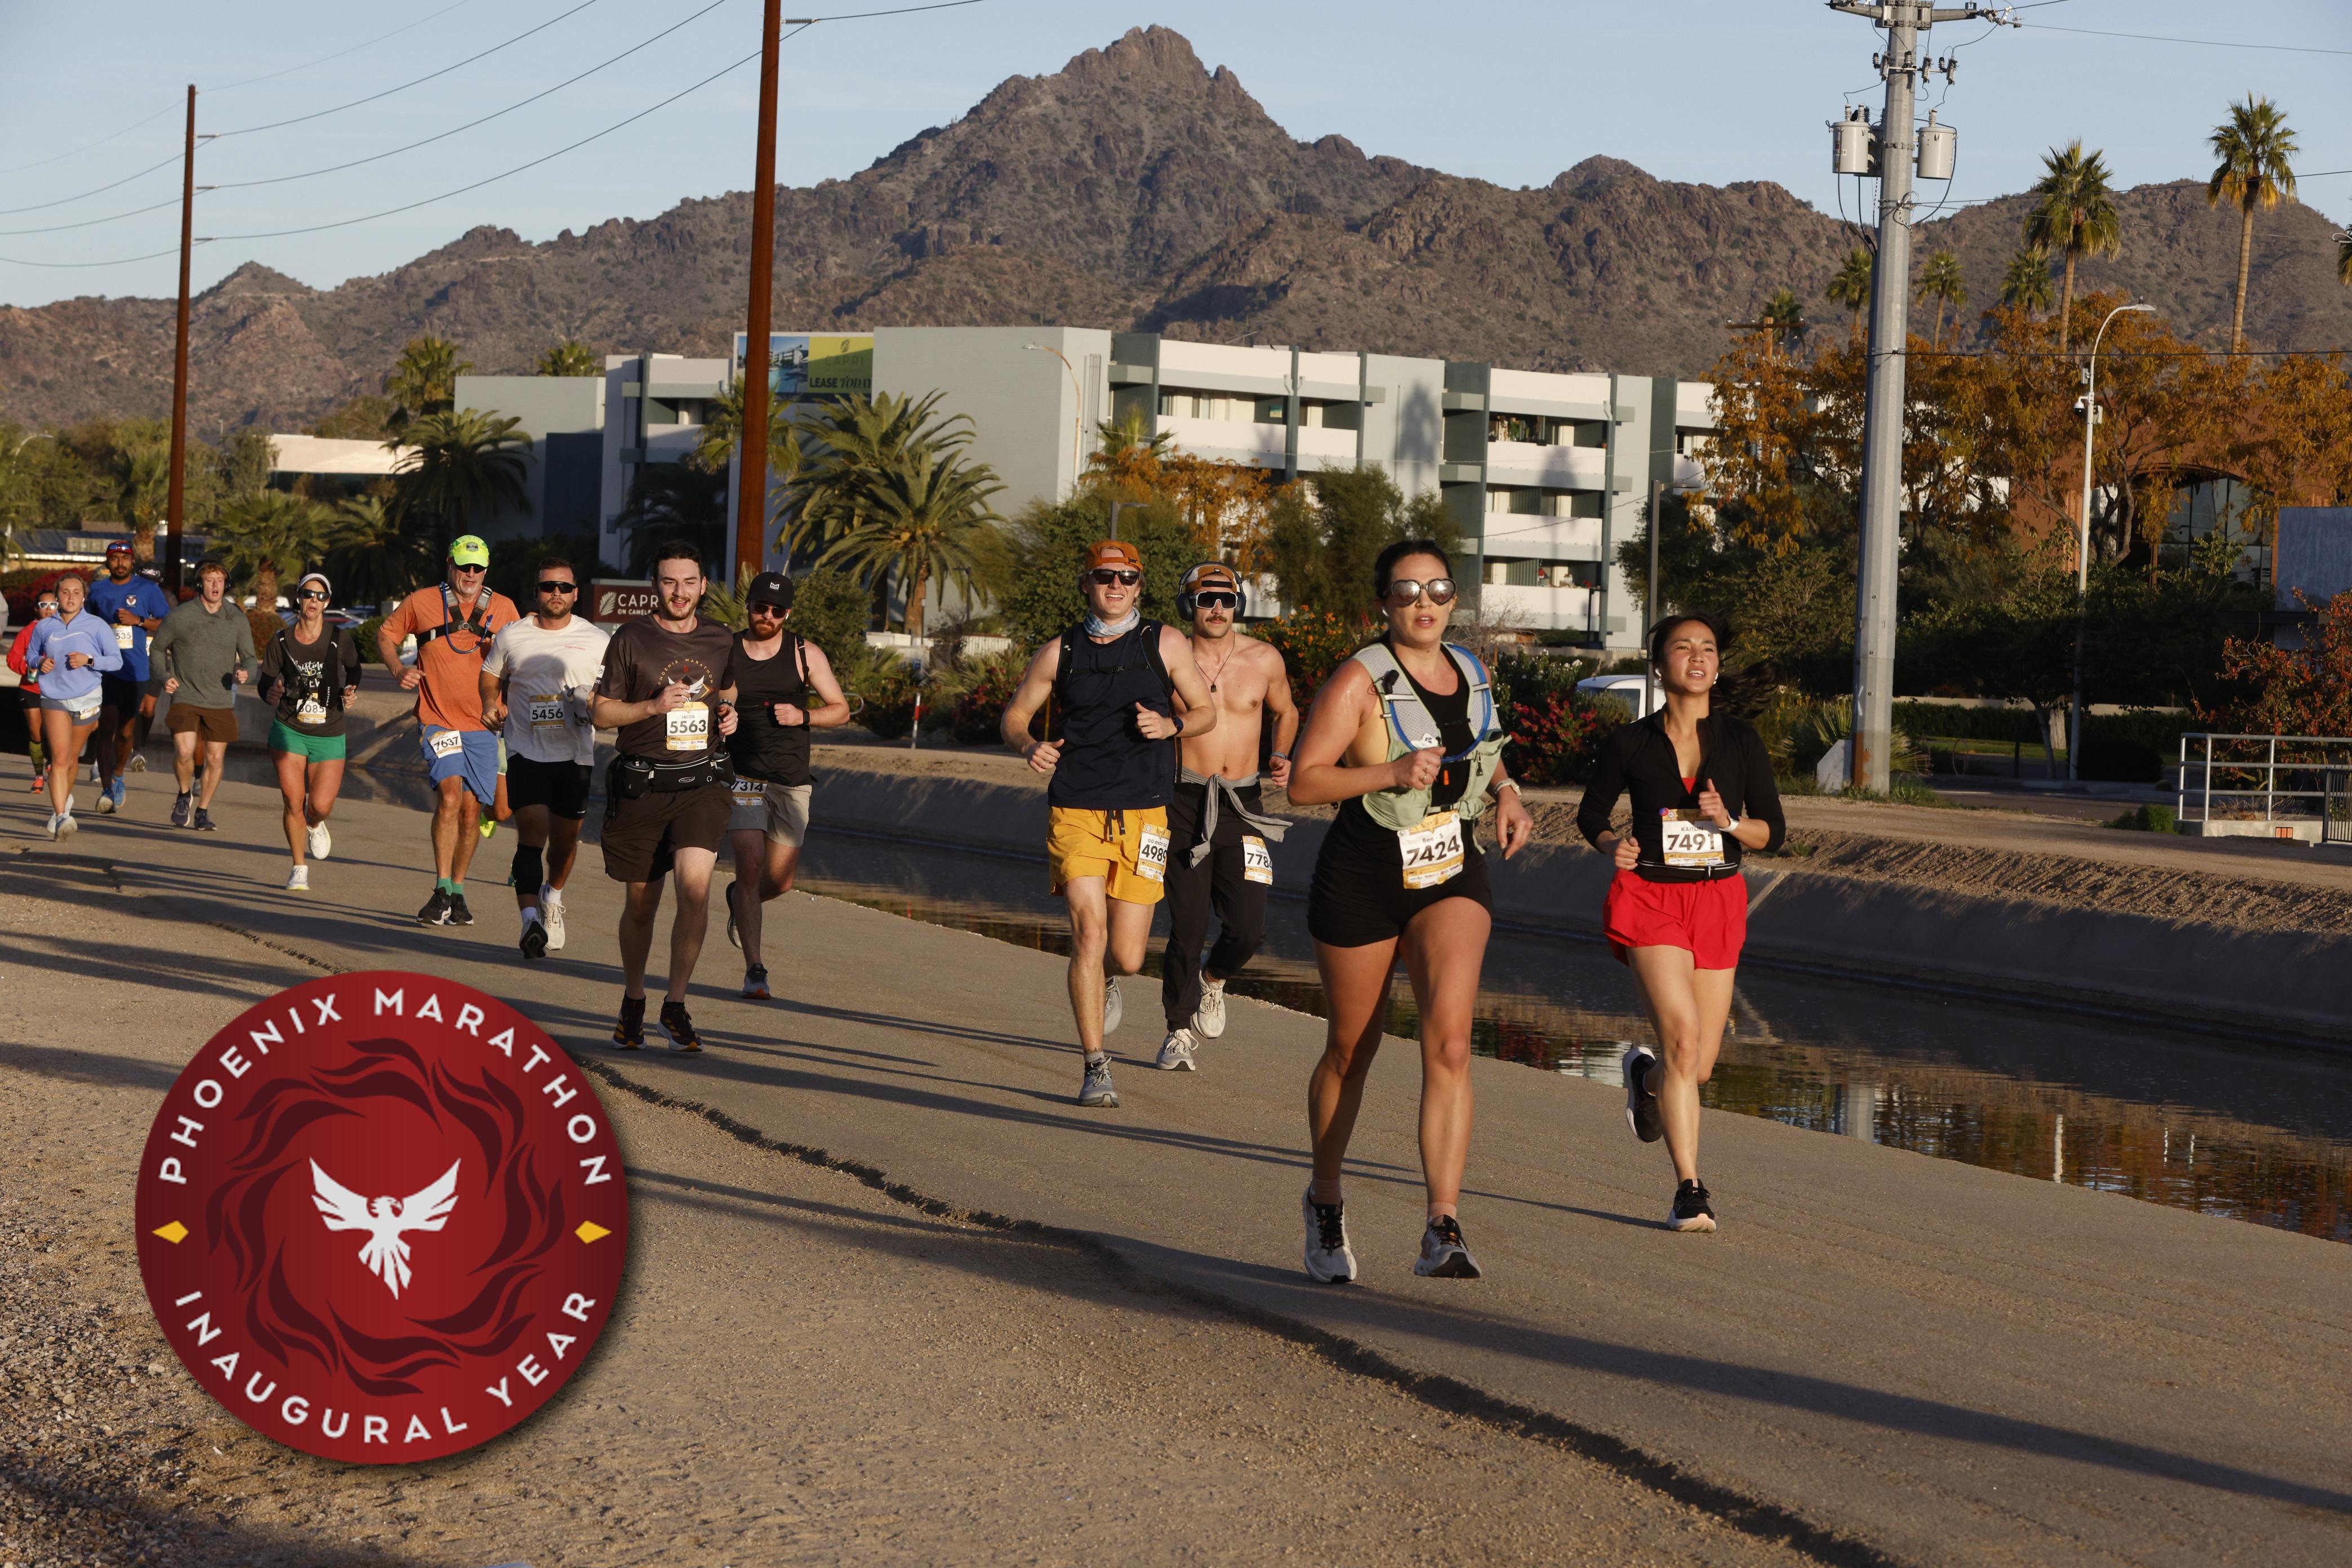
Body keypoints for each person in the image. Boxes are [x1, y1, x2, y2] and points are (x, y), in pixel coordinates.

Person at [1285, 540, 1533, 1284]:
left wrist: (1507, 793)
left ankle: (1442, 1224)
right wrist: (1389, 771)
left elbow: (1484, 750)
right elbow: (1304, 783)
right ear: (1383, 604)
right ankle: (1325, 1197)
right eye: (1406, 592)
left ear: (1455, 599)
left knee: (1450, 1043)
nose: (1424, 603)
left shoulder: (1472, 671)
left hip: (1450, 867)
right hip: (1364, 874)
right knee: (1351, 1048)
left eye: (1438, 590)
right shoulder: (1359, 680)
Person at [1577, 612, 1784, 1235]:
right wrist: (1612, 843)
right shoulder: (1631, 743)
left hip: (1718, 900)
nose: (1698, 657)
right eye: (1683, 647)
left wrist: (1730, 824)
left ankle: (1646, 1078)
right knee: (1684, 1041)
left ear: (1717, 666)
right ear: (1658, 665)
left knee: (1699, 1067)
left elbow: (1772, 832)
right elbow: (1592, 814)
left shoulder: (1741, 741)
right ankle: (1689, 1191)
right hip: (1651, 899)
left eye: (1709, 649)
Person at [999, 539, 1218, 1108]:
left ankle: (1107, 977)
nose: (1115, 586)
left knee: (1128, 955)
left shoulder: (1164, 643)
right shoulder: (1061, 651)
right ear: (1087, 584)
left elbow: (1205, 711)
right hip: (1076, 809)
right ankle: (1096, 1065)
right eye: (1104, 576)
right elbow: (1015, 716)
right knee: (1089, 936)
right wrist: (1028, 745)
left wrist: (1171, 727)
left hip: (1146, 814)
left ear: (1139, 586)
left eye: (1126, 577)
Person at [590, 540, 738, 1051]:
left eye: (689, 582)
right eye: (670, 582)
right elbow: (601, 712)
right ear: (656, 585)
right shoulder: (631, 638)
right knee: (641, 905)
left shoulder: (721, 638)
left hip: (702, 784)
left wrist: (729, 713)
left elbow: (729, 689)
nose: (680, 592)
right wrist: (651, 707)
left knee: (694, 891)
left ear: (703, 586)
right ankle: (634, 999)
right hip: (644, 785)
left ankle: (675, 1006)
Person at [1153, 561, 1299, 1072]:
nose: (1217, 608)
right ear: (1188, 605)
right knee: (1188, 925)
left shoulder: (1264, 659)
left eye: (1227, 599)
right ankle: (1177, 1031)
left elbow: (1286, 711)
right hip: (1183, 802)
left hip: (1244, 806)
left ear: (1239, 605)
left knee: (1248, 928)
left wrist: (1280, 752)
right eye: (1206, 599)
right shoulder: (1168, 658)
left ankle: (1213, 981)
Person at [376, 535, 519, 926]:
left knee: (472, 814)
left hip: (484, 726)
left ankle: (457, 892)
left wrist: (508, 702)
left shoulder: (504, 608)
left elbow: (521, 661)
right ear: (449, 564)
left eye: (477, 568)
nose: (470, 574)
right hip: (437, 719)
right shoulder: (421, 601)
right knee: (451, 797)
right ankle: (440, 889)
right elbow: (386, 635)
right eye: (463, 566)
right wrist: (398, 669)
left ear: (486, 570)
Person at [723, 571, 850, 1000]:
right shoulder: (728, 651)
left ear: (788, 614)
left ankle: (740, 900)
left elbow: (841, 709)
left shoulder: (804, 653)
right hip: (742, 775)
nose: (768, 616)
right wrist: (723, 710)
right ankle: (755, 970)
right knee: (751, 866)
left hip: (791, 779)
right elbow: (718, 696)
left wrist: (804, 716)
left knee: (778, 881)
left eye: (777, 611)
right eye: (761, 607)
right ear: (749, 607)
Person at [480, 558, 609, 961]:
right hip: (526, 750)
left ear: (576, 593)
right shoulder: (512, 635)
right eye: (549, 586)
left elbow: (613, 690)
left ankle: (552, 896)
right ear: (536, 592)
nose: (556, 593)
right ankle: (529, 921)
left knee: (565, 842)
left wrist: (595, 703)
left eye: (564, 588)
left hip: (575, 754)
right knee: (532, 834)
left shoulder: (596, 639)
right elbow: (490, 676)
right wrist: (490, 703)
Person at [256, 572, 363, 892]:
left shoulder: (339, 638)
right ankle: (298, 866)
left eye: (320, 596)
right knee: (293, 799)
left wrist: (351, 689)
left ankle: (315, 823)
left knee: (320, 806)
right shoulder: (281, 640)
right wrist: (270, 693)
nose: (314, 600)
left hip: (329, 731)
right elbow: (266, 681)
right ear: (298, 599)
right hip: (289, 728)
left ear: (327, 602)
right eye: (308, 594)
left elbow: (354, 668)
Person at [150, 558, 255, 833]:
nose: (215, 585)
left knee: (216, 759)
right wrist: (164, 676)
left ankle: (203, 811)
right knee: (185, 751)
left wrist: (246, 672)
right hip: (185, 694)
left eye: (220, 581)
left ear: (226, 585)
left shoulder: (236, 619)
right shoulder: (180, 616)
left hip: (220, 698)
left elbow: (250, 658)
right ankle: (184, 794)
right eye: (210, 580)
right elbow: (158, 648)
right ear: (200, 585)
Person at [24, 573, 123, 839]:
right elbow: (30, 654)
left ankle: (64, 800)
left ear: (84, 597)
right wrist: (39, 662)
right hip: (53, 696)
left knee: (71, 759)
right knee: (58, 758)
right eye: (65, 592)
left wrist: (89, 660)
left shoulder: (97, 625)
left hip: (87, 697)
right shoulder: (45, 626)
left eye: (76, 592)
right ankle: (61, 816)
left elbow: (116, 661)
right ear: (57, 596)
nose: (71, 597)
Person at [85, 540, 171, 816]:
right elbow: (85, 625)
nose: (120, 563)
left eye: (125, 558)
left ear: (133, 562)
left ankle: (119, 774)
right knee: (106, 728)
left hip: (136, 670)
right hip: (105, 671)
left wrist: (139, 621)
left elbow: (169, 624)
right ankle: (106, 790)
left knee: (125, 731)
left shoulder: (148, 589)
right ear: (107, 562)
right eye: (114, 558)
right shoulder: (97, 590)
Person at [8, 590, 59, 793]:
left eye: (53, 605)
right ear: (36, 609)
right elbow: (12, 659)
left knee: (53, 733)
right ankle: (39, 776)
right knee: (36, 733)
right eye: (44, 605)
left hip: (57, 690)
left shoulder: (66, 630)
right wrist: (28, 668)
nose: (49, 609)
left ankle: (53, 764)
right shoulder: (27, 632)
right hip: (31, 688)